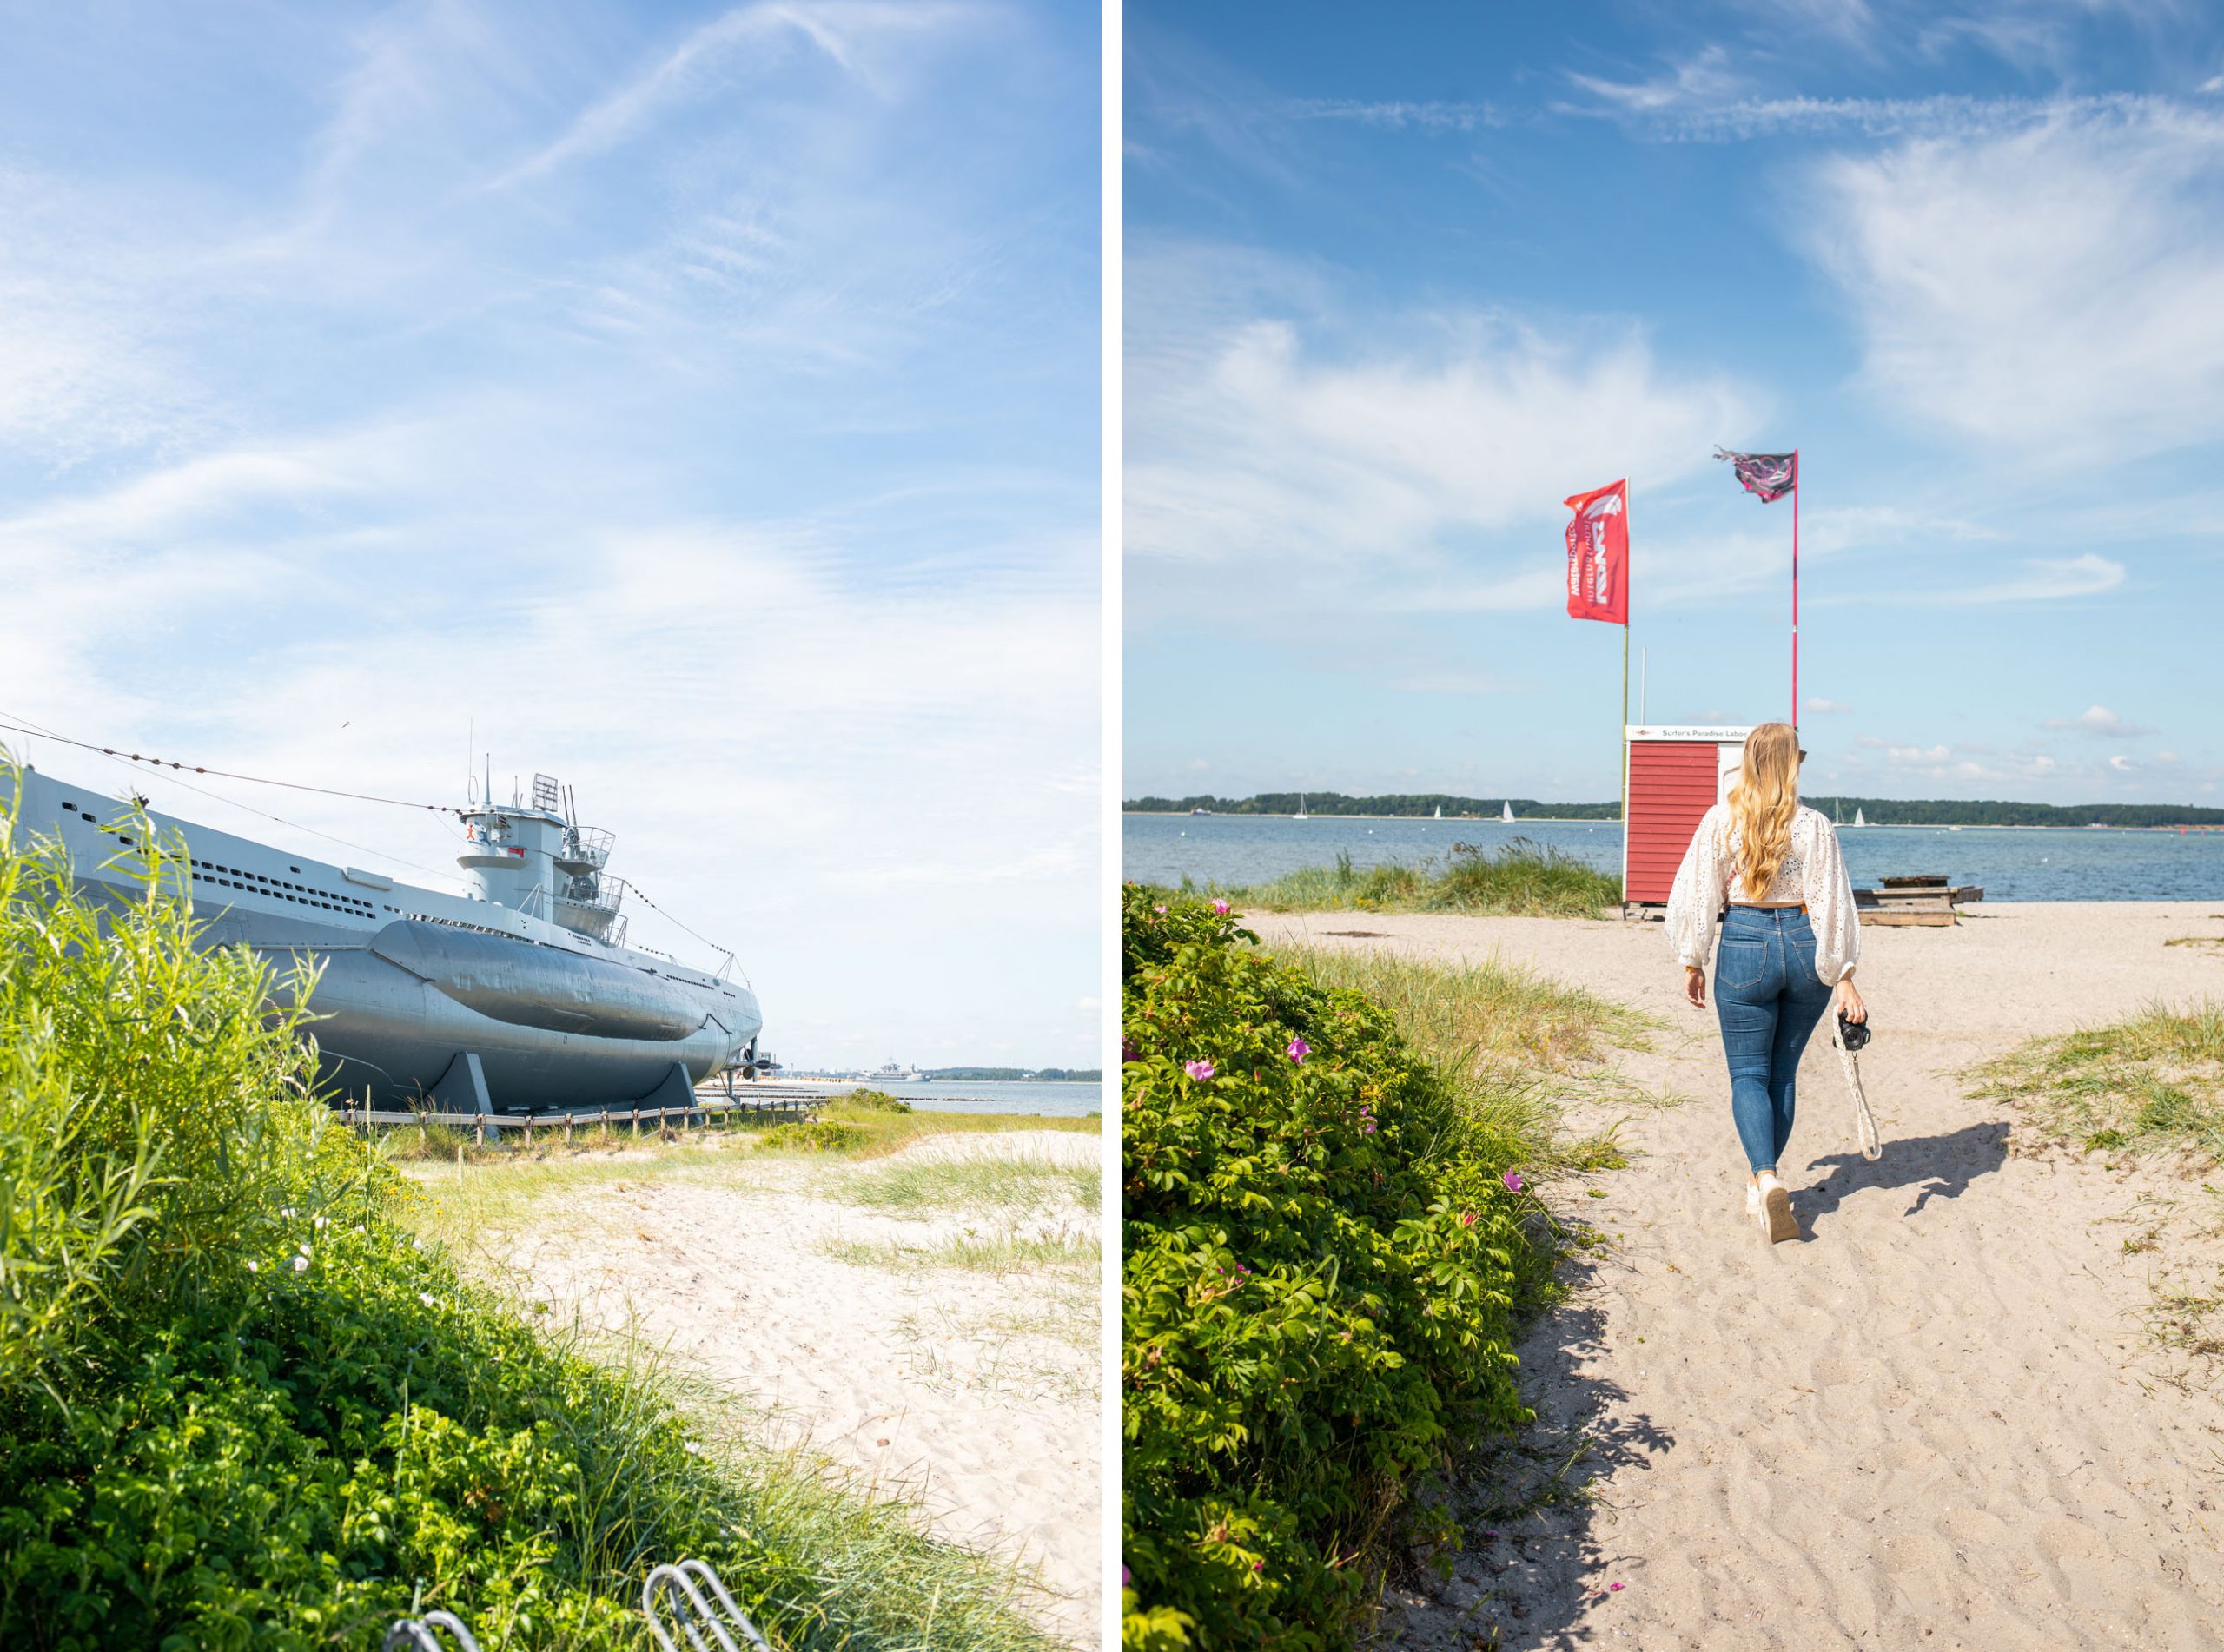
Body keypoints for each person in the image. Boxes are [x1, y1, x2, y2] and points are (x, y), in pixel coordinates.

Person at [1664, 722, 1867, 1244]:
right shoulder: (1815, 825)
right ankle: (1764, 1180)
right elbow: (1830, 902)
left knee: (1747, 1075)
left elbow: (1698, 891)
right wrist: (1843, 976)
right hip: (1803, 945)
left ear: (1749, 762)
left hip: (1746, 942)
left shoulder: (1722, 820)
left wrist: (1693, 959)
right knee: (1782, 1074)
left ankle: (1765, 1178)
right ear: (1791, 763)